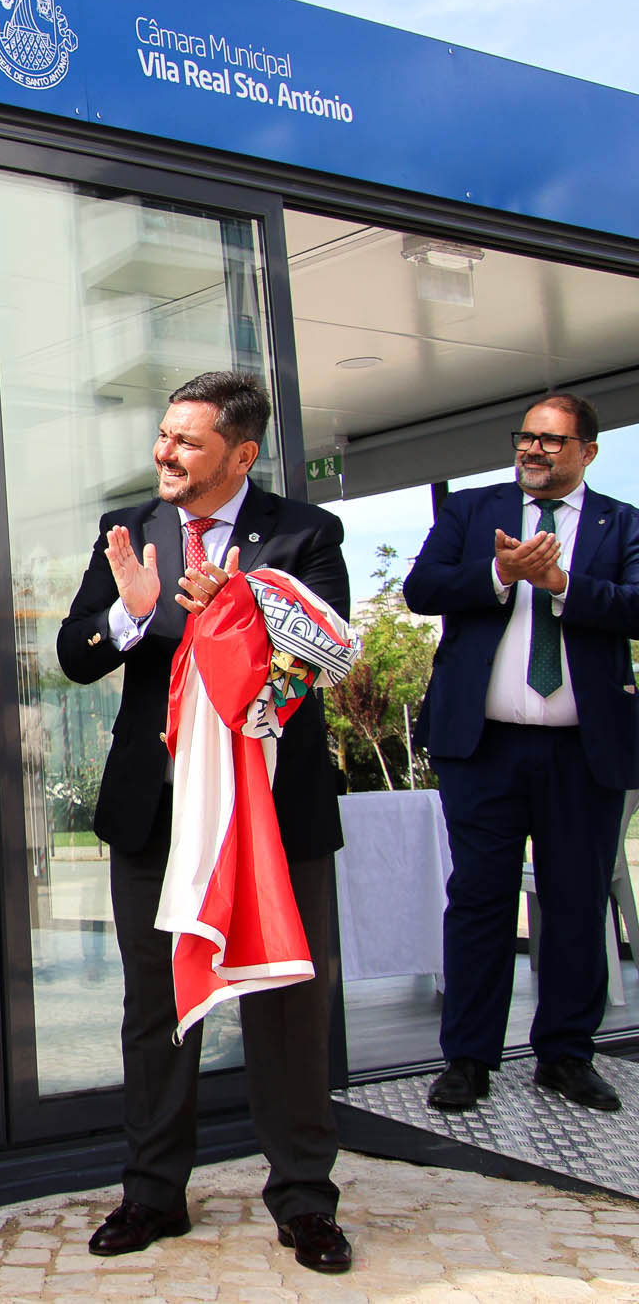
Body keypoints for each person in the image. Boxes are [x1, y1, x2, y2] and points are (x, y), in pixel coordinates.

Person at [56, 371, 353, 1274]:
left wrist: (242, 608)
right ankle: (152, 1192)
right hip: (156, 811)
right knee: (155, 1010)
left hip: (272, 817)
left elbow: (327, 654)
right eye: (164, 434)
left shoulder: (307, 534)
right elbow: (75, 652)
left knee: (287, 1006)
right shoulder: (130, 530)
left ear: (242, 452)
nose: (165, 452)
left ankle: (305, 1200)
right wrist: (132, 612)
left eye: (187, 440)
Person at [405, 393, 639, 1115]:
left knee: (576, 901)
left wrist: (562, 584)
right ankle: (468, 1059)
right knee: (479, 900)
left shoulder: (623, 523)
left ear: (587, 452)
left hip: (583, 751)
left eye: (552, 440)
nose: (534, 449)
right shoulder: (471, 512)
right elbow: (421, 589)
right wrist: (501, 575)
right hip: (483, 748)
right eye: (527, 436)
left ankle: (566, 1054)